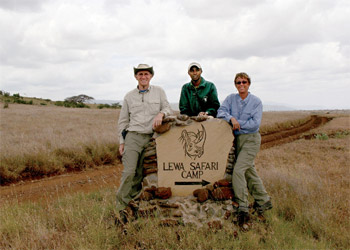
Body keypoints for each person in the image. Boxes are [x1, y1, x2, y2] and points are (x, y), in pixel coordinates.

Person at [116, 64, 172, 222]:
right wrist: (122, 142)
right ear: (136, 77)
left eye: (146, 74)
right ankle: (121, 207)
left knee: (141, 174)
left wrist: (161, 113)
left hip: (152, 138)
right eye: (140, 74)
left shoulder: (159, 92)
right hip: (133, 137)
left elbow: (168, 107)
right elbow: (123, 121)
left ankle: (133, 206)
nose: (143, 77)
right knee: (129, 172)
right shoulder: (129, 96)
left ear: (151, 76)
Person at [217, 72, 272, 228]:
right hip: (237, 141)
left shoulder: (256, 102)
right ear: (235, 84)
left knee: (238, 170)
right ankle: (263, 201)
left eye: (244, 82)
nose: (241, 85)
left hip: (251, 139)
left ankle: (243, 206)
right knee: (249, 170)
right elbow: (220, 112)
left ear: (249, 84)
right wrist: (231, 118)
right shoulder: (230, 99)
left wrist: (237, 123)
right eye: (238, 82)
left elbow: (254, 124)